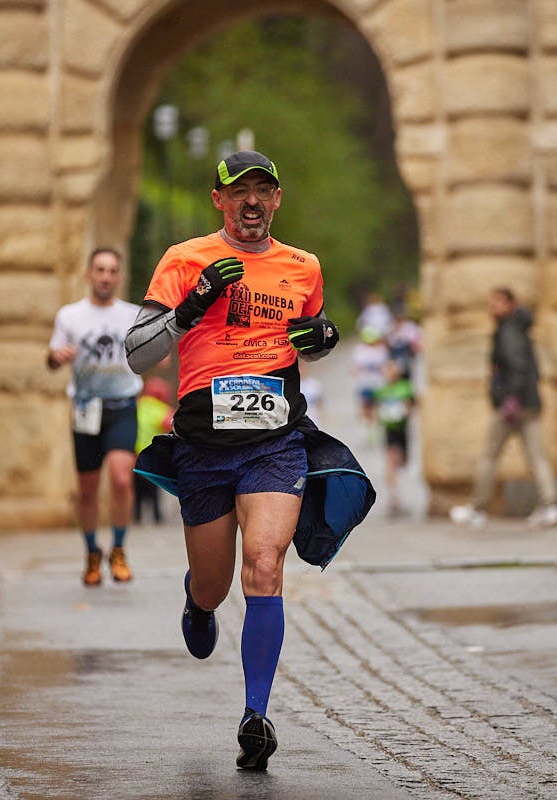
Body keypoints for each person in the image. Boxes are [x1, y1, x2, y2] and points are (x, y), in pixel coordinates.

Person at [125, 150, 342, 771]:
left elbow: (314, 334)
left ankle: (256, 715)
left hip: (275, 440)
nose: (252, 200)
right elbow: (138, 357)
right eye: (240, 190)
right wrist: (192, 305)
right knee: (216, 583)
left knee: (266, 564)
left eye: (263, 190)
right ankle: (197, 602)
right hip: (203, 444)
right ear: (218, 200)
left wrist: (324, 338)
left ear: (277, 200)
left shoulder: (303, 267)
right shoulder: (183, 259)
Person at [47, 247, 143, 586]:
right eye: (99, 270)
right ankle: (91, 552)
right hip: (86, 408)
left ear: (119, 276)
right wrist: (58, 356)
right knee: (87, 489)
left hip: (122, 406)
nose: (105, 276)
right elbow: (52, 359)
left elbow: (149, 353)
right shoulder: (70, 316)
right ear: (88, 274)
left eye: (112, 270)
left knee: (120, 478)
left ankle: (118, 549)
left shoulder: (133, 315)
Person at [450, 287, 557, 529]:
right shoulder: (521, 328)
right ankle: (550, 505)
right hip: (530, 402)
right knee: (536, 455)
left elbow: (516, 365)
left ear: (510, 304)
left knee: (490, 455)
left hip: (512, 405)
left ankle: (477, 508)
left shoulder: (508, 331)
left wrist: (510, 398)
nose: (492, 308)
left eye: (497, 303)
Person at [373, 358, 415, 517]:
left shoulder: (405, 387)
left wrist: (404, 411)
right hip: (390, 431)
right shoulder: (381, 390)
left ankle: (398, 494)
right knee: (391, 461)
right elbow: (376, 407)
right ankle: (394, 498)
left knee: (403, 462)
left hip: (402, 430)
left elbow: (411, 406)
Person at [134, 376, 174, 524]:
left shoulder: (138, 405)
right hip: (151, 456)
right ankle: (157, 516)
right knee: (154, 488)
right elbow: (170, 424)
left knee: (137, 490)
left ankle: (136, 516)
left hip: (135, 455)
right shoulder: (160, 408)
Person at [351, 326, 388, 424]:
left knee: (377, 406)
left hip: (377, 382)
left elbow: (383, 366)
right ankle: (368, 426)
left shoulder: (381, 350)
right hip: (365, 382)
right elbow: (358, 366)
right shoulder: (360, 350)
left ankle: (375, 425)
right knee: (365, 406)